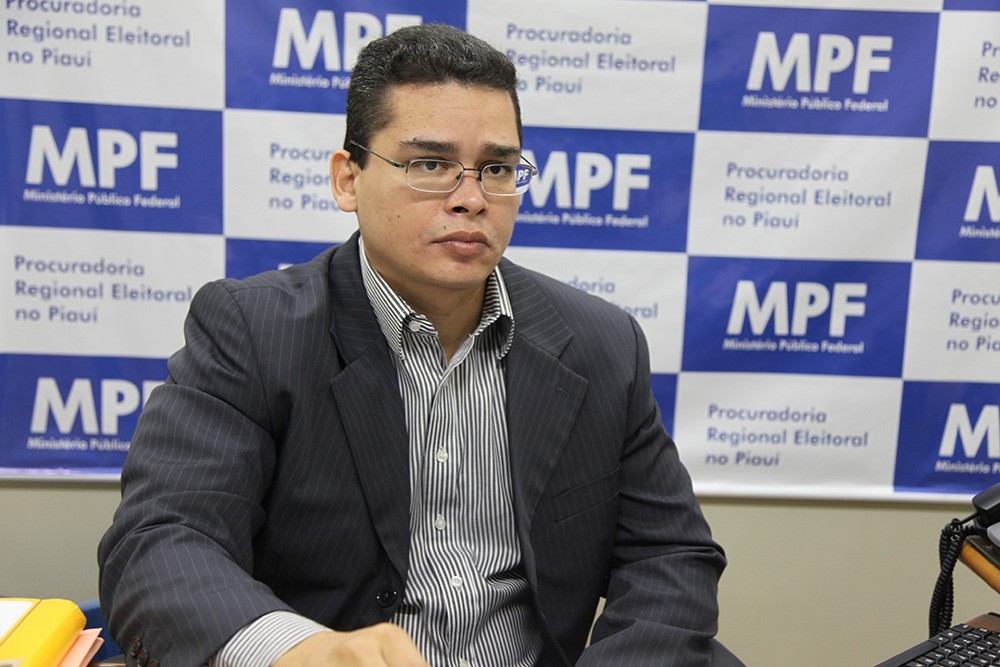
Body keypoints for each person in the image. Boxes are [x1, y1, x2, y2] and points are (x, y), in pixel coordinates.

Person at [98, 23, 741, 667]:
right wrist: (304, 652)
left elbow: (669, 554)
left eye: (497, 169)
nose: (471, 199)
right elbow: (164, 540)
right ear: (348, 180)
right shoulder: (251, 329)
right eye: (430, 164)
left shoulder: (602, 344)